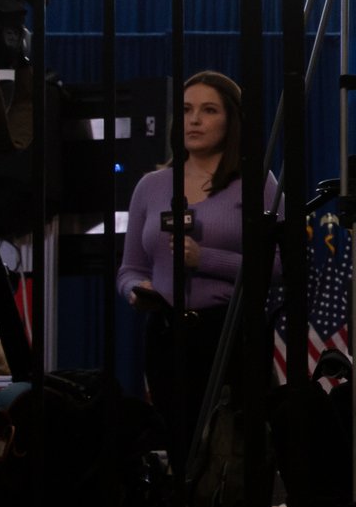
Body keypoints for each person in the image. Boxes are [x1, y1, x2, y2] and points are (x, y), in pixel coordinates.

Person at [119, 72, 278, 465]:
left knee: (238, 449)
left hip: (232, 331)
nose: (194, 120)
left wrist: (202, 258)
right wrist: (137, 289)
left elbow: (278, 265)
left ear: (231, 120)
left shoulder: (258, 183)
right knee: (179, 444)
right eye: (187, 110)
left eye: (208, 110)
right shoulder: (151, 186)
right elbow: (128, 268)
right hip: (167, 332)